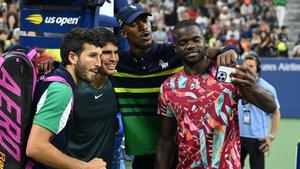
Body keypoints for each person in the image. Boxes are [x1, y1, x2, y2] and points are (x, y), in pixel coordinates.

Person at [114, 3, 240, 169]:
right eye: (134, 24)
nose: (143, 26)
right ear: (123, 32)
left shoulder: (174, 52)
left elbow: (209, 50)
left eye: (145, 20)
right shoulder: (117, 63)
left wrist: (230, 49)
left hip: (178, 149)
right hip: (143, 153)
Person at [155, 20, 277, 169]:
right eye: (183, 42)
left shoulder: (228, 73)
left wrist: (252, 87)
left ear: (205, 42)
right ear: (175, 49)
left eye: (195, 40)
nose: (191, 45)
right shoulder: (168, 88)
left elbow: (270, 106)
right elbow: (166, 140)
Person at [26, 28, 106, 169]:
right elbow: (35, 147)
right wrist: (85, 167)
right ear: (72, 57)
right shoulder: (61, 90)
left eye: (100, 56)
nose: (98, 63)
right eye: (93, 56)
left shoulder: (56, 78)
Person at [66, 27, 119, 169]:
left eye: (116, 52)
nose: (113, 58)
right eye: (107, 53)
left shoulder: (116, 82)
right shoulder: (70, 89)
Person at [238, 53, 281, 169]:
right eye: (245, 65)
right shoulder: (236, 85)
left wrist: (271, 136)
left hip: (257, 139)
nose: (247, 68)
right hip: (237, 137)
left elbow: (276, 113)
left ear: (258, 69)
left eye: (251, 66)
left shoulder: (267, 88)